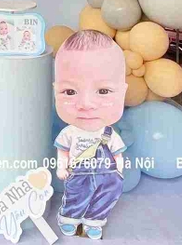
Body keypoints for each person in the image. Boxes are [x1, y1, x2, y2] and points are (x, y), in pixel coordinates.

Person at [53, 30, 127, 241]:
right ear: (55, 91)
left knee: (106, 196)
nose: (86, 104)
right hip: (78, 172)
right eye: (70, 92)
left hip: (108, 174)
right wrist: (61, 166)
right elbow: (63, 151)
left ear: (123, 93)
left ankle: (94, 221)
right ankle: (69, 218)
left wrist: (119, 169)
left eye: (103, 91)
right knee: (76, 196)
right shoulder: (70, 132)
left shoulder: (109, 133)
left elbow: (117, 153)